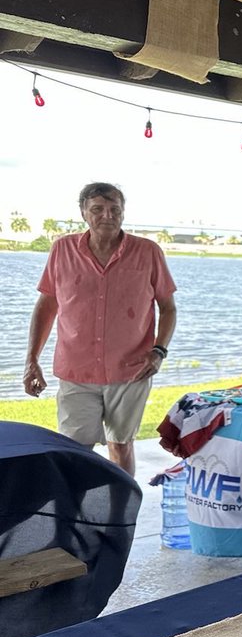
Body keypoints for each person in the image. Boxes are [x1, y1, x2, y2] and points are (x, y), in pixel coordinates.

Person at [24, 183, 176, 476]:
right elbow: (47, 305)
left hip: (131, 369)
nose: (107, 215)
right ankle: (79, 514)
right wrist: (32, 360)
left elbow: (168, 307)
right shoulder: (62, 249)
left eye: (114, 209)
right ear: (83, 213)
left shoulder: (148, 252)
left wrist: (159, 351)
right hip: (76, 370)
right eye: (97, 209)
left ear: (122, 212)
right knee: (75, 449)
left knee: (120, 445)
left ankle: (121, 515)